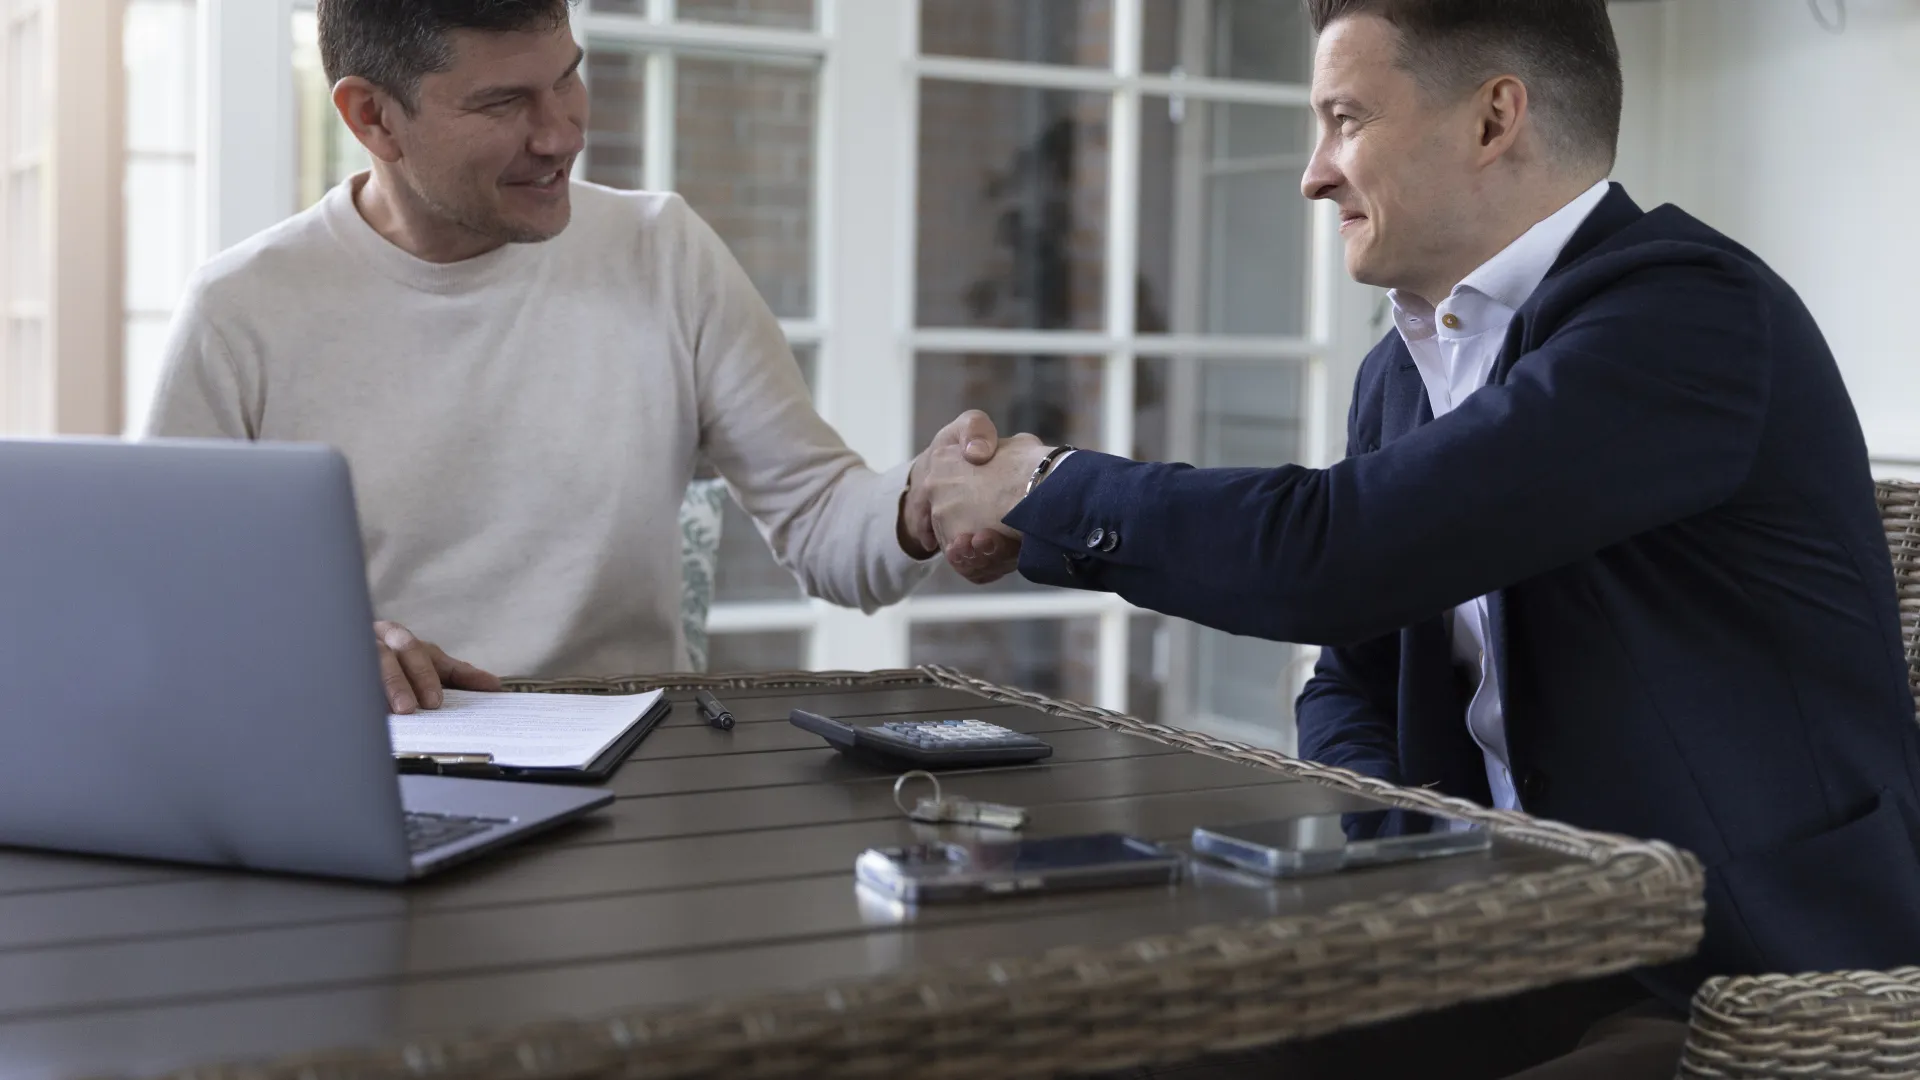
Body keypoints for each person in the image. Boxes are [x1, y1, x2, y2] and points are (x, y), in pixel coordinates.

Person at [924, 0, 1920, 1076]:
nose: (1313, 174)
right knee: (1131, 1040)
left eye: (1345, 119)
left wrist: (1046, 489)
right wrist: (1404, 859)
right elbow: (1347, 683)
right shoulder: (1398, 373)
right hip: (1504, 945)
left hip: (1730, 968)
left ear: (1495, 120)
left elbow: (1336, 557)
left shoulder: (1689, 317)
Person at [143, 0, 1001, 715]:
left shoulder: (662, 250)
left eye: (567, 80)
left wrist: (917, 501)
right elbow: (168, 617)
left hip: (635, 782)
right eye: (502, 103)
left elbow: (820, 518)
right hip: (376, 772)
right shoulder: (240, 314)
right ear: (372, 117)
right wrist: (315, 652)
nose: (560, 135)